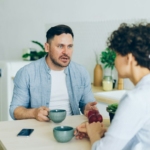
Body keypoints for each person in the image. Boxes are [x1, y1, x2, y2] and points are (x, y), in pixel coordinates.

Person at [75, 23, 150, 150]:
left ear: (129, 58)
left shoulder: (136, 99)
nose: (114, 61)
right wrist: (108, 134)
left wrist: (94, 133)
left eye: (116, 54)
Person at [9, 24, 97, 122]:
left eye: (70, 46)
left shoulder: (81, 72)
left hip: (73, 129)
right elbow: (15, 110)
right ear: (47, 47)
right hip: (39, 129)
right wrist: (34, 113)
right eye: (60, 46)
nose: (66, 52)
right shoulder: (27, 73)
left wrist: (87, 108)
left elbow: (87, 103)